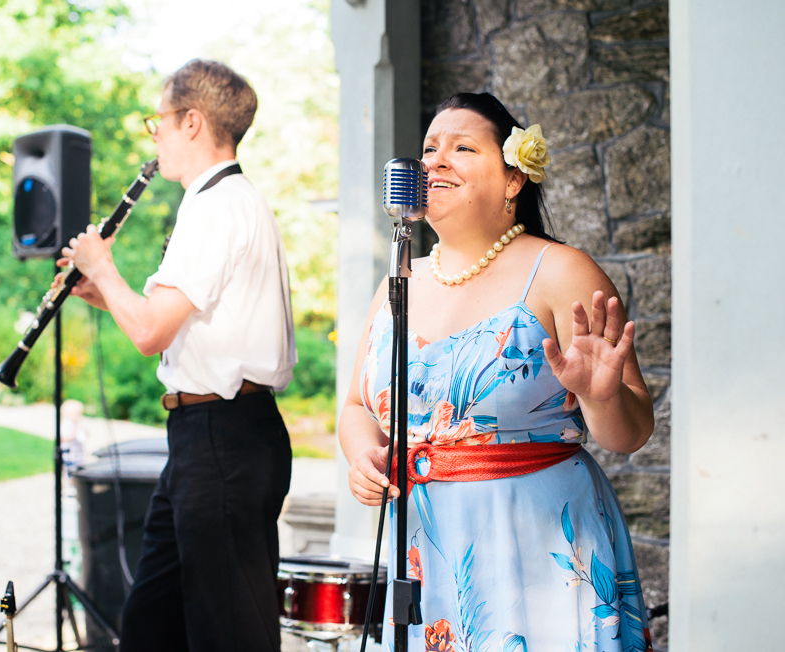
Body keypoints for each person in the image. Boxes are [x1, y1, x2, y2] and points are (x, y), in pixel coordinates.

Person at [340, 93, 656, 651]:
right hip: (428, 549)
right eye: (429, 149)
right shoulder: (400, 280)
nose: (435, 161)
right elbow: (358, 407)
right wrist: (364, 453)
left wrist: (602, 396)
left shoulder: (562, 271)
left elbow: (628, 435)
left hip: (540, 549)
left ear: (514, 180)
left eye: (461, 148)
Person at [58, 59, 296, 652]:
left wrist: (102, 266)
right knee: (151, 624)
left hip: (223, 437)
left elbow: (150, 334)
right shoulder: (221, 200)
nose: (154, 134)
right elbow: (164, 325)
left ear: (191, 122)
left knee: (230, 634)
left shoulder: (214, 204)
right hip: (211, 438)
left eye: (157, 121)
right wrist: (103, 292)